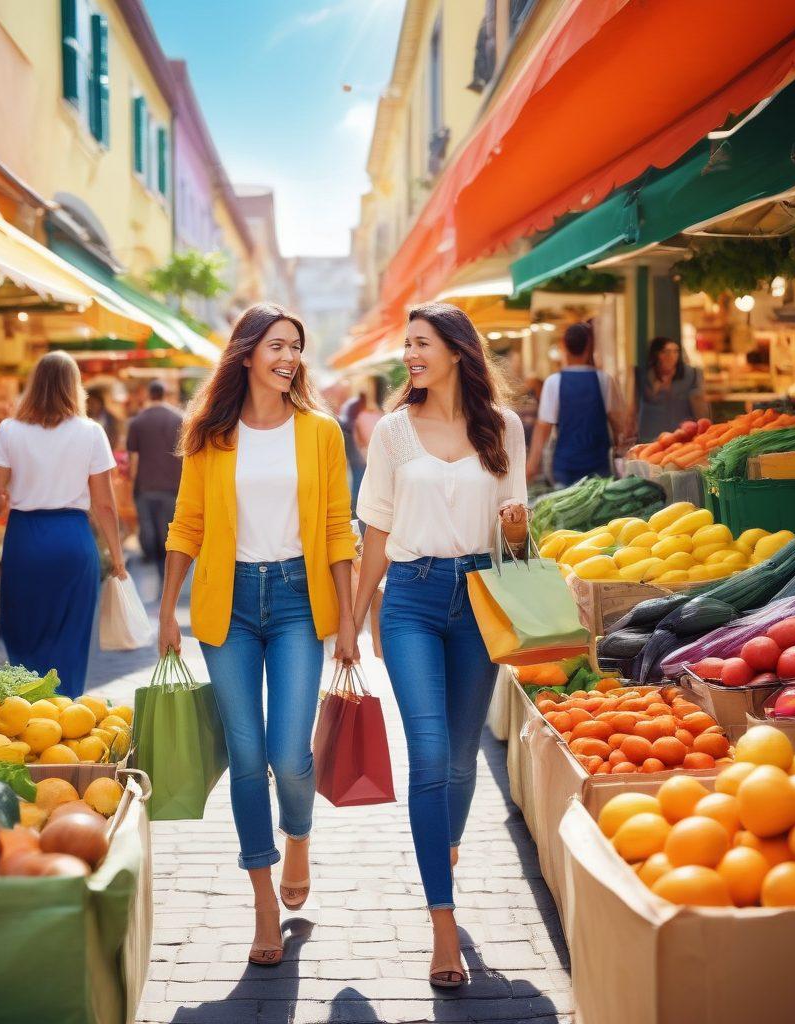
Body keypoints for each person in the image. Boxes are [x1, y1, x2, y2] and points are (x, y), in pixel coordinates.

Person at [158, 302, 358, 968]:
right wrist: (165, 610)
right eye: (276, 345)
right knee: (246, 758)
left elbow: (337, 528)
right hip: (229, 606)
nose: (288, 357)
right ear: (247, 353)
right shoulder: (208, 435)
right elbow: (187, 525)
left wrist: (351, 618)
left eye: (296, 347)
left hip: (301, 602)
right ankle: (264, 903)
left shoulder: (321, 432)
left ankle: (297, 833)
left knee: (290, 755)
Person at [351, 302, 528, 989]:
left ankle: (443, 847)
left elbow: (515, 539)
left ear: (457, 350)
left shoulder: (503, 427)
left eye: (420, 344)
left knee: (460, 757)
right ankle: (443, 924)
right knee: (427, 754)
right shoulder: (393, 432)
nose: (409, 356)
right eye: (407, 346)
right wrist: (354, 619)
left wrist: (514, 527)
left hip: (481, 598)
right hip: (413, 602)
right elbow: (375, 531)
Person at [0, 352, 126, 699]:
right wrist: (118, 559)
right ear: (74, 387)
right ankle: (63, 717)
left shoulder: (9, 430)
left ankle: (27, 710)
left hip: (24, 540)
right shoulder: (92, 432)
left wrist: (5, 499)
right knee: (70, 636)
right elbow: (104, 504)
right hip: (73, 540)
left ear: (34, 385)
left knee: (22, 629)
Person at [525, 321, 625, 485]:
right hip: (599, 467)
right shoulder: (604, 381)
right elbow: (618, 424)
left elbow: (543, 429)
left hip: (565, 466)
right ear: (589, 346)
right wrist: (622, 454)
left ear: (563, 346)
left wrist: (531, 467)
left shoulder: (553, 382)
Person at [126, 380, 183, 579]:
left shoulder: (138, 421)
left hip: (145, 484)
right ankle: (166, 568)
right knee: (167, 526)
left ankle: (154, 562)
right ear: (165, 394)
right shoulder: (179, 419)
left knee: (148, 526)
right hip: (173, 485)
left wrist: (133, 483)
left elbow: (133, 458)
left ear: (149, 395)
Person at [634, 336, 708, 441]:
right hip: (650, 437)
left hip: (683, 435)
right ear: (656, 354)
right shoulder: (644, 376)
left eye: (675, 352)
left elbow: (700, 405)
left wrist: (704, 432)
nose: (672, 356)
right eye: (666, 352)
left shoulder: (691, 375)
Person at [339, 390, 366, 516]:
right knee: (358, 486)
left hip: (358, 457)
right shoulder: (354, 405)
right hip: (357, 458)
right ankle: (355, 512)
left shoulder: (352, 405)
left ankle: (356, 511)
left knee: (357, 485)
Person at [352, 392, 383, 462]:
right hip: (380, 448)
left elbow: (358, 439)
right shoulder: (378, 414)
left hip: (368, 449)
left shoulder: (359, 417)